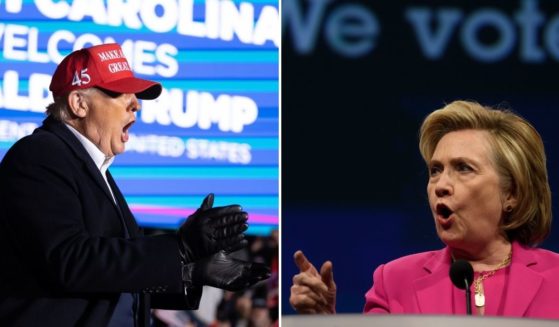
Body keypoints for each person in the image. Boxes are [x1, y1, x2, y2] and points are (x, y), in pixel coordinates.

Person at [0, 43, 270, 326]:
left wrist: (189, 272)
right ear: (79, 103)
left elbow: (118, 276)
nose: (136, 104)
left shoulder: (96, 170)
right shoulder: (39, 156)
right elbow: (70, 260)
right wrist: (179, 247)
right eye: (119, 93)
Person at [290, 100, 559, 318]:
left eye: (463, 168)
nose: (440, 185)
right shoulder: (394, 280)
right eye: (435, 170)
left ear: (511, 192)